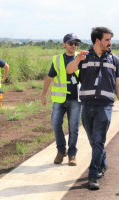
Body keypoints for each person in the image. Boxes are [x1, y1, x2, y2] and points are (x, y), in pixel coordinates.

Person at [66, 27, 119, 190]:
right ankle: (102, 163)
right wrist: (78, 60)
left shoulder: (114, 59)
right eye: (107, 39)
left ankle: (93, 175)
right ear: (97, 41)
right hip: (86, 105)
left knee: (99, 140)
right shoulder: (84, 57)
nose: (110, 43)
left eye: (110, 40)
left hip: (105, 105)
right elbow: (69, 70)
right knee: (93, 141)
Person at [41, 33, 82, 166]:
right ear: (64, 44)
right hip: (59, 99)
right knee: (56, 124)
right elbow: (49, 77)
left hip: (76, 98)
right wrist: (43, 94)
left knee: (73, 127)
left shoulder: (82, 58)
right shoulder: (57, 60)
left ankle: (72, 154)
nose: (73, 46)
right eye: (71, 43)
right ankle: (60, 151)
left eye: (76, 43)